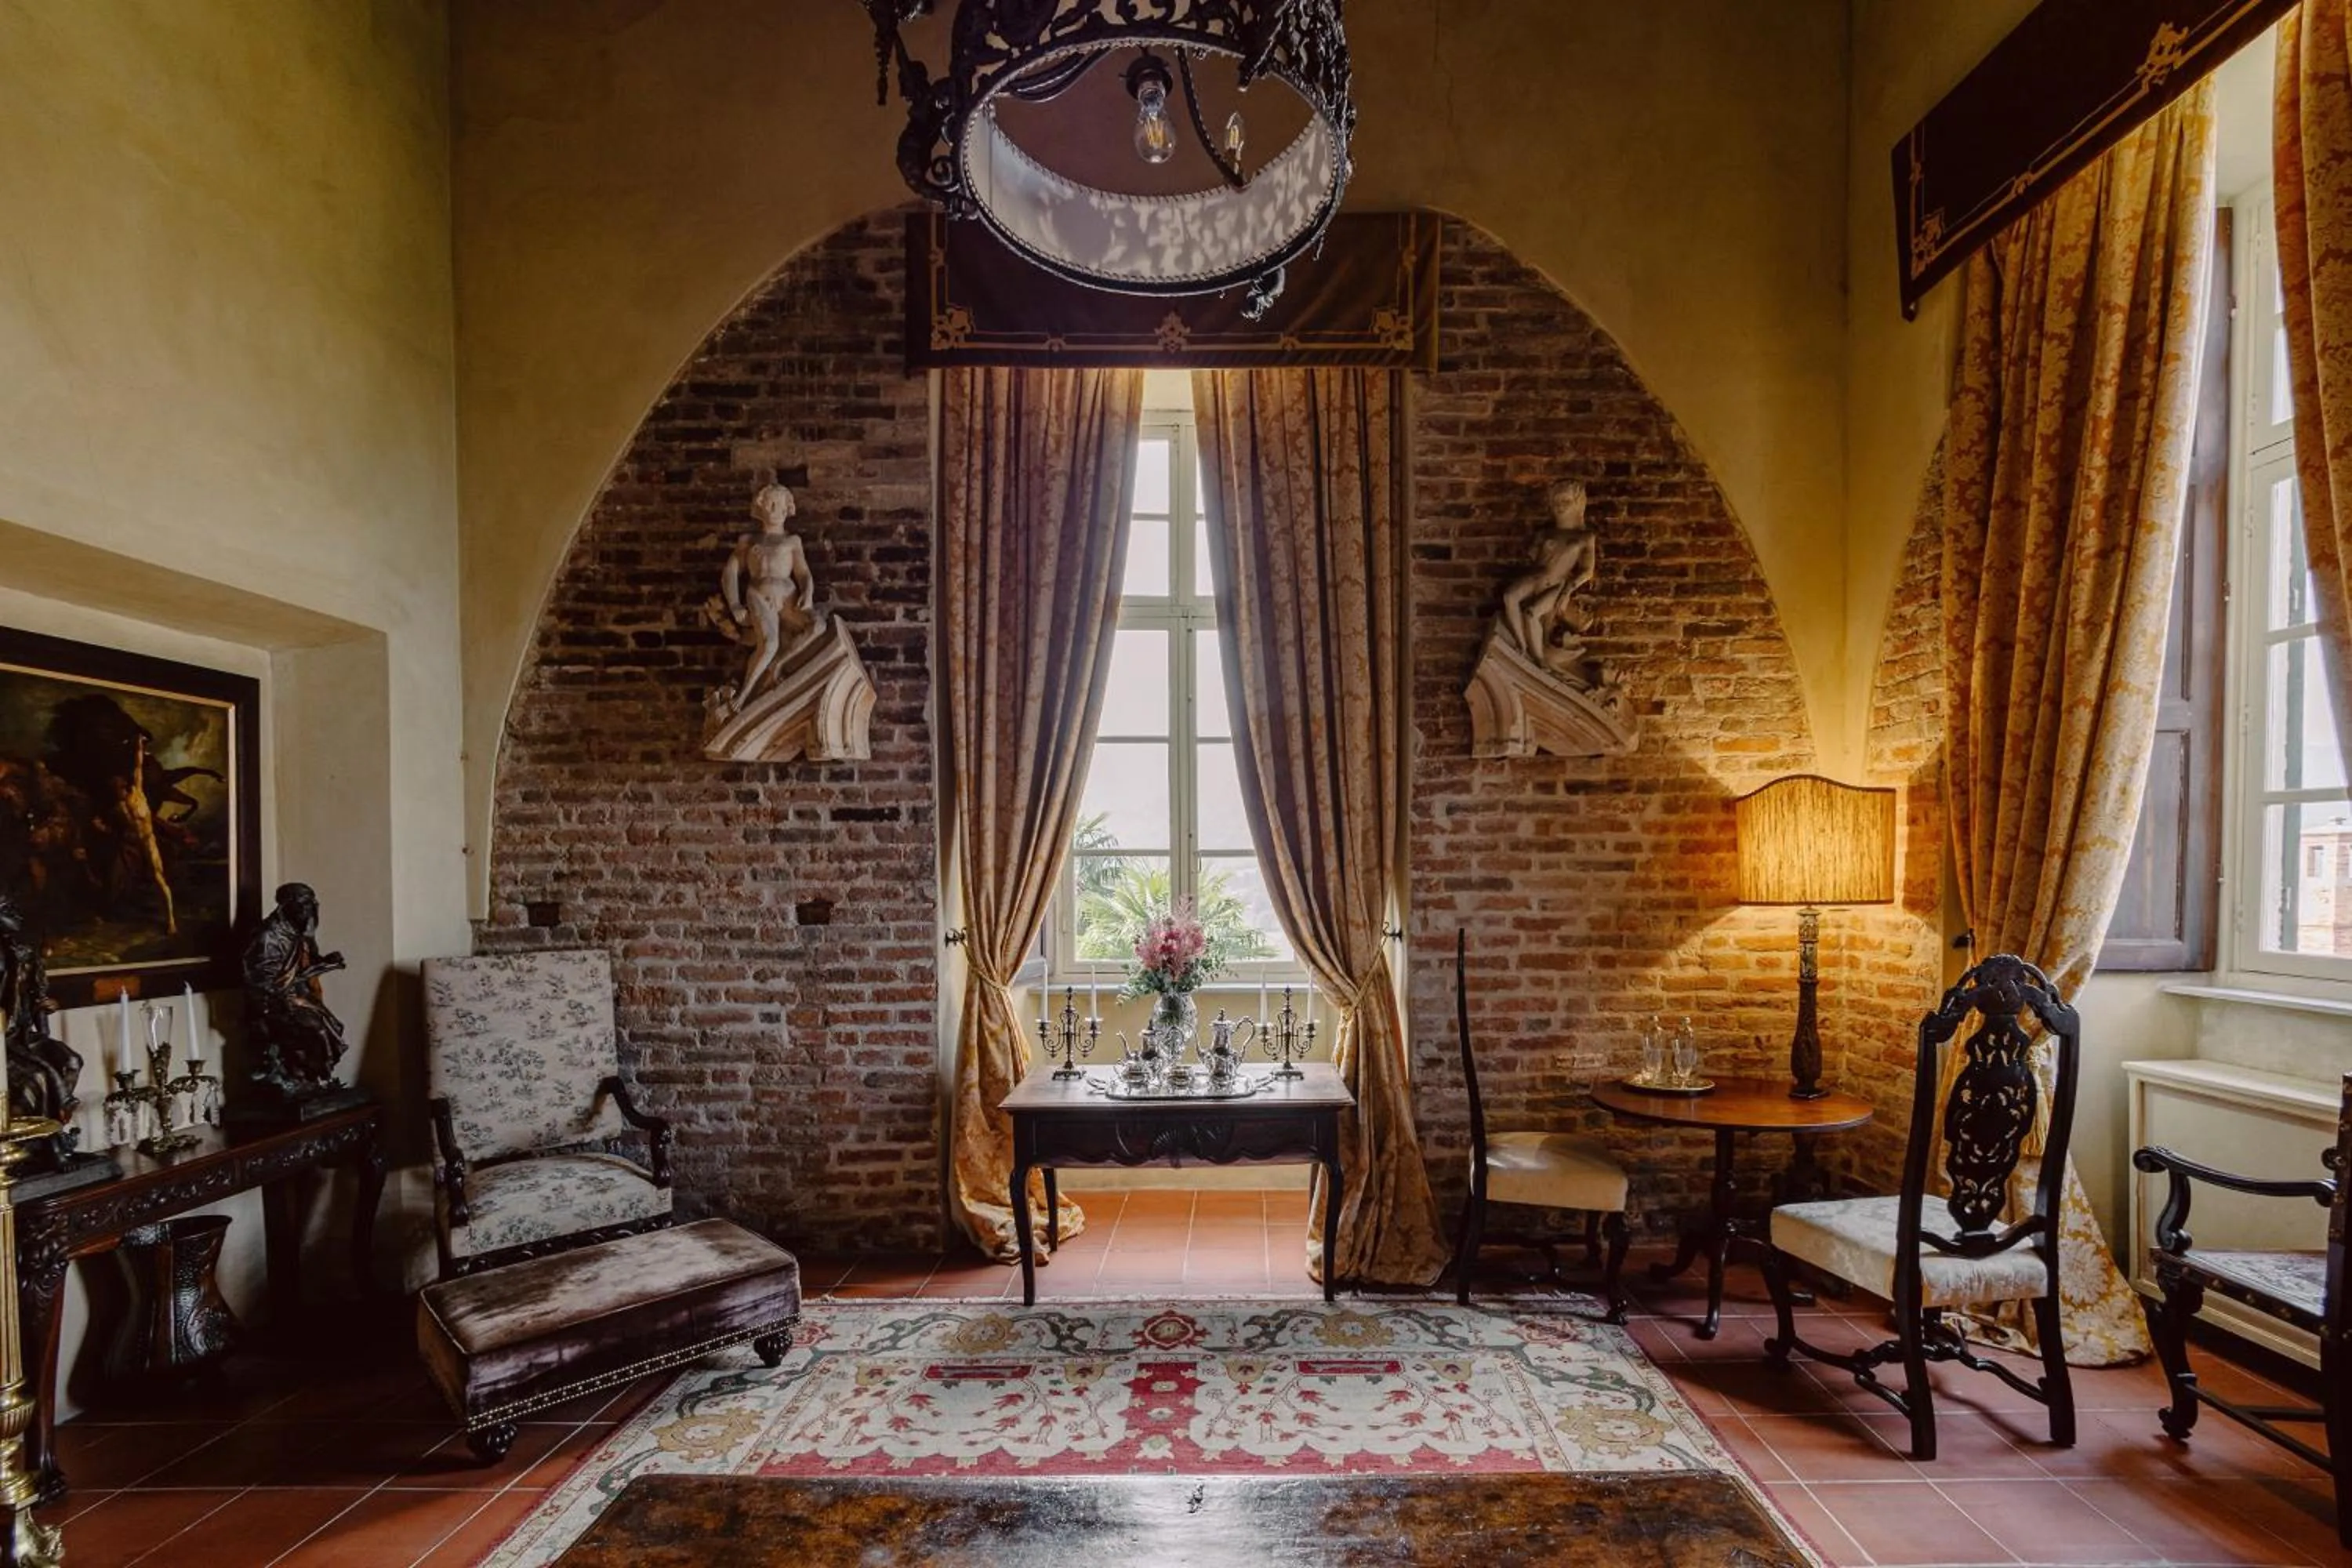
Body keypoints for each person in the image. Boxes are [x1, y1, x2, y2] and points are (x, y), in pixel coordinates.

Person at [706, 483, 822, 713]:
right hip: (759, 595)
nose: (775, 509)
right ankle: (745, 695)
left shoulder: (792, 541)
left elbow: (803, 573)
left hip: (787, 595)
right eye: (770, 504)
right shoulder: (749, 541)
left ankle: (779, 664)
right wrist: (735, 604)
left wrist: (807, 594)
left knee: (818, 626)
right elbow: (730, 572)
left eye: (780, 505)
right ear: (760, 507)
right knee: (769, 644)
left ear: (788, 509)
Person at [242, 882, 349, 1098]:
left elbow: (302, 966)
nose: (312, 908)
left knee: (333, 1027)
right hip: (272, 1004)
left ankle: (306, 1078)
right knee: (317, 1031)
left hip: (295, 997)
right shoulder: (268, 936)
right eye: (305, 903)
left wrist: (325, 961)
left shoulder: (297, 929)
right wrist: (322, 967)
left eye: (313, 902)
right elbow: (266, 984)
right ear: (287, 905)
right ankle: (299, 1076)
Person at [0, 893, 83, 1145]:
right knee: (36, 1080)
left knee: (71, 1061)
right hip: (3, 1040)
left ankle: (55, 1130)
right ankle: (36, 1144)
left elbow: (38, 996)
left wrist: (46, 1007)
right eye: (8, 910)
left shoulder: (25, 954)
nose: (17, 915)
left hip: (25, 1036)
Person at [1501, 479, 1599, 679]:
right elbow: (1534, 557)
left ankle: (1539, 659)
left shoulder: (1585, 537)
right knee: (1509, 597)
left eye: (1566, 501)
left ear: (1578, 503)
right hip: (1537, 576)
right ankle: (1521, 645)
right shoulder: (1546, 533)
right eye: (1556, 502)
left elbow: (1587, 571)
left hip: (1557, 584)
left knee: (1532, 613)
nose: (1560, 506)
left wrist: (1568, 590)